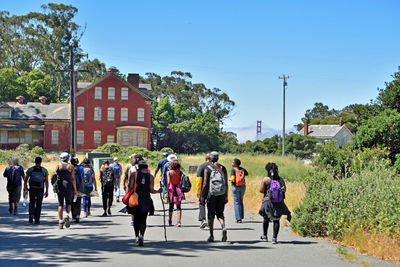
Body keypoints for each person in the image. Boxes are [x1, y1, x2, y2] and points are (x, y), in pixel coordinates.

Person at [126, 159, 162, 246]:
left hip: (135, 199)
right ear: (146, 167)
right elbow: (151, 190)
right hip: (146, 200)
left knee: (136, 219)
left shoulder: (134, 174)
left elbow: (130, 187)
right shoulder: (150, 177)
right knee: (143, 219)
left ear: (138, 167)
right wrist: (158, 191)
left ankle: (136, 236)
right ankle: (142, 235)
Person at [200, 151, 228, 242]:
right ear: (218, 158)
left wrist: (202, 196)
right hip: (221, 194)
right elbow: (226, 183)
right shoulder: (223, 168)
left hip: (211, 194)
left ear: (210, 158)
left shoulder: (207, 168)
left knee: (211, 214)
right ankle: (223, 225)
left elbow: (205, 184)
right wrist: (226, 195)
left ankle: (211, 235)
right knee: (220, 213)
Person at [259, 162, 287, 244]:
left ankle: (264, 236)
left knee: (265, 218)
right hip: (278, 202)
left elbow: (261, 190)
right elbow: (284, 190)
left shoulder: (266, 179)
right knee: (276, 219)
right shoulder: (281, 179)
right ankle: (274, 238)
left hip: (267, 202)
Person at [55, 152, 78, 229]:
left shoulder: (58, 166)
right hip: (68, 185)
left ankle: (60, 221)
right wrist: (75, 190)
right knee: (68, 203)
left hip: (60, 185)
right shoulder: (71, 166)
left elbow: (55, 175)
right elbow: (73, 179)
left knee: (60, 204)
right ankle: (67, 215)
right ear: (67, 158)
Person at [23, 157, 49, 224]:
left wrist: (25, 188)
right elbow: (46, 181)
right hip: (40, 189)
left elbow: (25, 180)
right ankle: (37, 219)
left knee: (32, 202)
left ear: (35, 161)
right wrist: (47, 191)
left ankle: (31, 215)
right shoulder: (44, 170)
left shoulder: (31, 169)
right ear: (41, 162)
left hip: (32, 188)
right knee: (39, 204)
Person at [167, 160, 185, 227]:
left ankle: (170, 220)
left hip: (172, 189)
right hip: (178, 188)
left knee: (171, 206)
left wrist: (166, 190)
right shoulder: (179, 172)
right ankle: (178, 221)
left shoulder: (169, 172)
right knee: (179, 207)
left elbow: (168, 182)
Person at [196, 153, 211, 228]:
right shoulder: (217, 166)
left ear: (206, 158)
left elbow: (199, 179)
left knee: (202, 203)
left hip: (204, 188)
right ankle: (209, 221)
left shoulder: (202, 166)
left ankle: (203, 219)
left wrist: (198, 191)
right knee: (210, 205)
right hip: (214, 189)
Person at [231, 158, 248, 223]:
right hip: (243, 186)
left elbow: (232, 178)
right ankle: (241, 216)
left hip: (235, 187)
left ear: (235, 164)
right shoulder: (243, 169)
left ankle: (238, 218)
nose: (232, 164)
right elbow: (247, 174)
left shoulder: (233, 170)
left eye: (233, 162)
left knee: (236, 202)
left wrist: (230, 179)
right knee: (241, 201)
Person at [71, 157, 83, 223]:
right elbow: (83, 177)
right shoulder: (80, 168)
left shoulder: (69, 167)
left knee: (72, 201)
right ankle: (78, 215)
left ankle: (73, 216)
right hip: (79, 187)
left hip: (71, 187)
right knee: (78, 202)